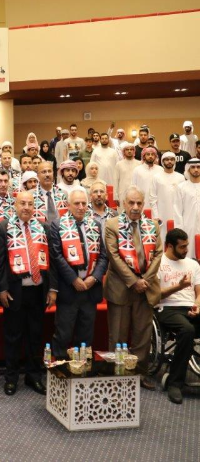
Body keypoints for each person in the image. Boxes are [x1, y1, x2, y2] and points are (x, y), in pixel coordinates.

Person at [0, 191, 55, 395]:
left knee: (35, 336)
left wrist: (51, 289)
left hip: (37, 291)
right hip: (14, 292)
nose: (27, 207)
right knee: (13, 336)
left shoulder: (43, 227)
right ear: (15, 205)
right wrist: (2, 288)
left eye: (30, 203)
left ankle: (33, 376)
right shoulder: (3, 228)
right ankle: (11, 378)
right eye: (23, 203)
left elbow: (51, 263)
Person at [104, 186, 163, 389]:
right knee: (118, 335)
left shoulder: (153, 225)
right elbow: (114, 256)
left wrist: (144, 280)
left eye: (139, 203)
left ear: (143, 204)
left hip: (146, 288)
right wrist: (133, 281)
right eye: (131, 203)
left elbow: (158, 254)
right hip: (121, 288)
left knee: (142, 336)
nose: (136, 207)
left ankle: (139, 374)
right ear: (123, 203)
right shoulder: (112, 224)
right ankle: (117, 376)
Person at [49, 189, 108, 361]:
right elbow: (56, 256)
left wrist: (94, 277)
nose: (81, 207)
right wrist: (73, 279)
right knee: (63, 334)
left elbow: (103, 256)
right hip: (69, 289)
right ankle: (59, 372)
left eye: (84, 203)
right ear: (68, 205)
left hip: (90, 289)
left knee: (86, 335)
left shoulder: (95, 225)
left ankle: (83, 370)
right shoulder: (58, 225)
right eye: (77, 203)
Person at [155, 228, 200, 404]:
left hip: (191, 307)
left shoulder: (193, 264)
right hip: (167, 309)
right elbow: (155, 296)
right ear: (169, 246)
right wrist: (179, 287)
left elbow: (198, 291)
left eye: (187, 246)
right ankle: (175, 383)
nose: (186, 250)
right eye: (182, 247)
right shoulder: (158, 263)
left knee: (188, 328)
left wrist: (198, 305)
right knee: (187, 330)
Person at [149, 151, 185, 235]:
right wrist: (156, 216)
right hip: (162, 214)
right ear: (162, 161)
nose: (169, 161)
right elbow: (152, 199)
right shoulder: (156, 177)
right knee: (162, 236)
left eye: (172, 159)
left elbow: (184, 199)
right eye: (167, 159)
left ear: (175, 161)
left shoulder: (181, 177)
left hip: (178, 214)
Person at [174, 158, 200, 259]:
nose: (196, 169)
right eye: (193, 167)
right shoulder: (181, 187)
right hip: (188, 227)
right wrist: (180, 231)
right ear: (188, 169)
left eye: (198, 167)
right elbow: (177, 211)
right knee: (189, 254)